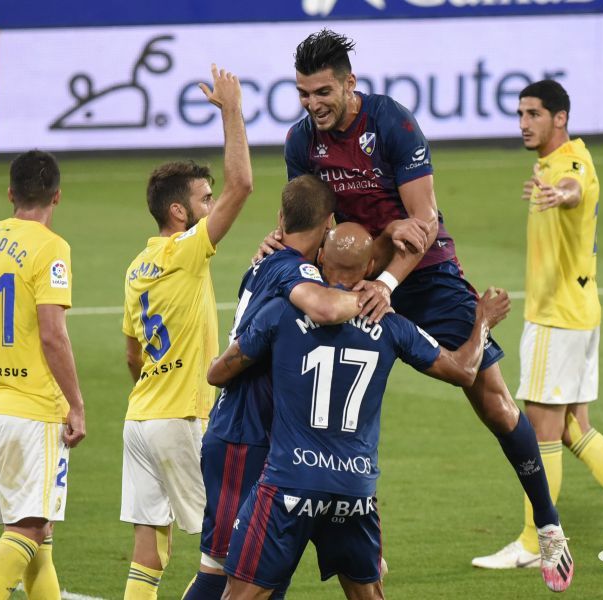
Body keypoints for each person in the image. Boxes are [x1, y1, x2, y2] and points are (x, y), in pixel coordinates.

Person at [277, 29, 572, 591]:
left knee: (493, 402)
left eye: (322, 92)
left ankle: (549, 524)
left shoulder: (392, 123)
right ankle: (361, 538)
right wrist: (291, 250)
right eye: (303, 94)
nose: (313, 104)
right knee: (331, 405)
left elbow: (424, 222)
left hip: (426, 274)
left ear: (349, 84)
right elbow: (311, 220)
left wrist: (388, 281)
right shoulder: (301, 142)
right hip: (355, 277)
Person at [211, 223, 512, 600]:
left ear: (321, 258)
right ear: (370, 267)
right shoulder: (391, 324)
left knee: (240, 596)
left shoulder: (280, 312)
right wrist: (483, 321)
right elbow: (464, 370)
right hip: (353, 489)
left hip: (289, 483)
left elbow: (217, 374)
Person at [181, 176, 411, 600]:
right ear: (328, 225)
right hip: (243, 433)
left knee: (266, 575)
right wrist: (378, 294)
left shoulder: (276, 260)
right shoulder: (295, 271)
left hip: (267, 438)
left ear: (280, 219)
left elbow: (347, 266)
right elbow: (326, 305)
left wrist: (383, 240)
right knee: (222, 571)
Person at [473, 80, 603, 571]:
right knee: (575, 428)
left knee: (540, 431)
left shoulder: (569, 166)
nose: (523, 123)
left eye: (534, 114)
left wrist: (559, 195)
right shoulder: (557, 160)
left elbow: (575, 190)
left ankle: (534, 541)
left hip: (556, 317)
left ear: (560, 117)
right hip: (578, 312)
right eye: (520, 113)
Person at [119, 65, 252, 600]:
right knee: (229, 547)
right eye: (204, 199)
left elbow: (132, 354)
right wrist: (232, 112)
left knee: (148, 552)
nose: (211, 206)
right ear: (178, 211)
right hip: (181, 419)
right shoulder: (186, 251)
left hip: (140, 418)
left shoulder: (137, 266)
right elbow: (243, 186)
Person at [0, 149, 87, 599]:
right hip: (33, 411)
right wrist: (76, 404)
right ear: (57, 196)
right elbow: (53, 334)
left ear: (10, 193)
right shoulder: (52, 248)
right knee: (27, 532)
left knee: (40, 532)